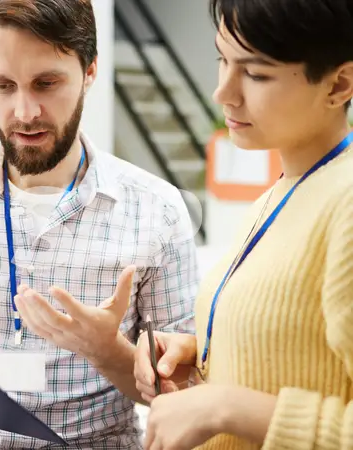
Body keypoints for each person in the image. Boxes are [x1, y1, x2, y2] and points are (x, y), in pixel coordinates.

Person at [0, 0, 197, 449]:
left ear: (90, 71)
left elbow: (181, 395)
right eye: (2, 85)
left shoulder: (156, 210)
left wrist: (106, 350)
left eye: (47, 83)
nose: (25, 112)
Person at [134, 0, 353, 449]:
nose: (224, 93)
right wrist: (203, 352)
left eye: (255, 74)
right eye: (223, 61)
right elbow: (300, 346)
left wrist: (224, 405)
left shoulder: (345, 202)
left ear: (339, 84)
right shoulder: (285, 189)